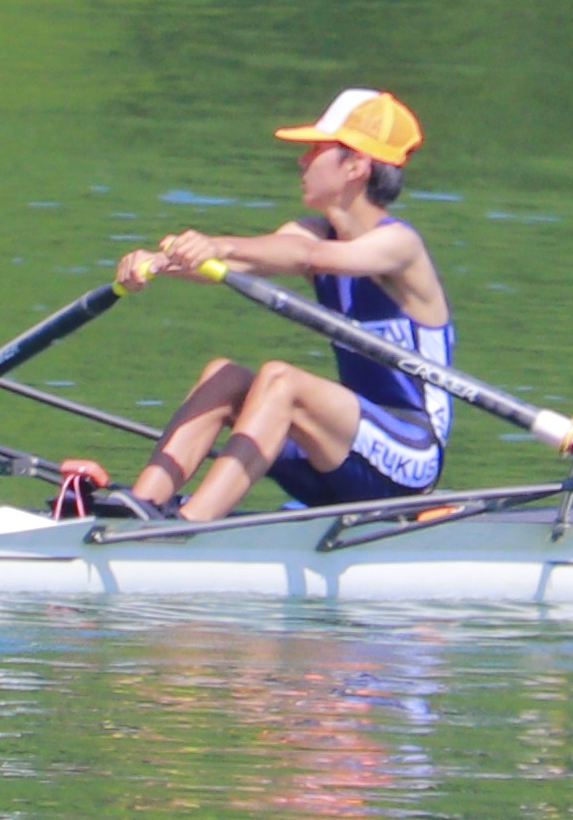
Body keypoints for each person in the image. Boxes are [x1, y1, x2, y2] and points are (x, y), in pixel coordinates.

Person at [114, 90, 454, 521]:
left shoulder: (400, 245)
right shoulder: (312, 232)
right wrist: (154, 264)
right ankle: (140, 509)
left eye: (316, 149)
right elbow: (237, 261)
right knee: (225, 376)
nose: (302, 161)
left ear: (355, 165)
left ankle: (187, 528)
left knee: (281, 379)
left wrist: (215, 243)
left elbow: (306, 258)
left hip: (408, 459)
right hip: (337, 457)